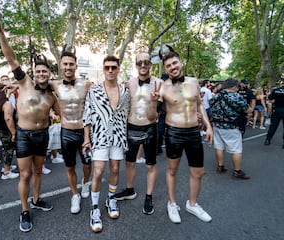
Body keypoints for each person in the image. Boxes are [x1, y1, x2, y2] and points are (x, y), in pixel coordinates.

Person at [0, 16, 60, 232]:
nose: (41, 74)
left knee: (38, 171)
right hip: (24, 135)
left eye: (45, 71)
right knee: (25, 174)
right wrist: (1, 31)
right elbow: (10, 58)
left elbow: (61, 113)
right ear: (35, 72)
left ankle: (37, 199)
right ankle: (24, 210)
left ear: (49, 74)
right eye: (38, 71)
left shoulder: (51, 93)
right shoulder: (24, 82)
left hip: (42, 135)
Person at [158, 49, 213, 223]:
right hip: (174, 132)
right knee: (172, 170)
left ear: (180, 63)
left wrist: (208, 126)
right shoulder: (163, 87)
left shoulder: (194, 82)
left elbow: (200, 106)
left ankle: (192, 204)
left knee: (198, 172)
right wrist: (154, 101)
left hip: (194, 133)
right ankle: (172, 204)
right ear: (166, 69)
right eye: (168, 66)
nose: (172, 67)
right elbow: (155, 112)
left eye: (174, 63)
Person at [83, 55, 130, 232]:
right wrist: (86, 139)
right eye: (107, 67)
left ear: (118, 69)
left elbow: (128, 113)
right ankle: (94, 208)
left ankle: (111, 199)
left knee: (116, 169)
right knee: (99, 171)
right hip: (100, 137)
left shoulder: (125, 92)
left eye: (113, 67)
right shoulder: (94, 91)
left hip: (118, 136)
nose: (110, 70)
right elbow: (87, 115)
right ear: (103, 69)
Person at [113, 52, 161, 215]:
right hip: (131, 127)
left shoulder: (159, 83)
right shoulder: (129, 83)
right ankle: (129, 190)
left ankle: (149, 197)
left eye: (146, 62)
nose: (142, 65)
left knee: (150, 164)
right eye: (139, 62)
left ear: (150, 64)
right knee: (129, 162)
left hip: (150, 128)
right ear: (135, 65)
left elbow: (158, 113)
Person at [50, 50, 92, 214]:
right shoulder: (54, 84)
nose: (68, 67)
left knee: (87, 164)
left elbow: (104, 92)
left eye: (71, 64)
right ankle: (75, 195)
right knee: (69, 167)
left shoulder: (87, 84)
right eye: (65, 64)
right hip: (66, 131)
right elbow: (33, 84)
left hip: (84, 132)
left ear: (76, 66)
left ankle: (86, 181)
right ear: (61, 66)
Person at [210, 78, 250, 179]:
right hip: (231, 127)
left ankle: (220, 166)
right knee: (236, 149)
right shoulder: (236, 97)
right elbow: (247, 110)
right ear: (233, 87)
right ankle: (237, 171)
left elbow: (211, 104)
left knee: (219, 146)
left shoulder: (217, 95)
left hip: (217, 126)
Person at [0, 84, 19, 180]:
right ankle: (6, 172)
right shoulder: (6, 104)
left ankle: (7, 166)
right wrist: (13, 132)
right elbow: (8, 119)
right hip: (5, 130)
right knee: (9, 150)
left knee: (5, 149)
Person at [264, 75, 284, 148]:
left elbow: (269, 98)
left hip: (277, 109)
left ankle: (268, 139)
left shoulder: (276, 90)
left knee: (273, 126)